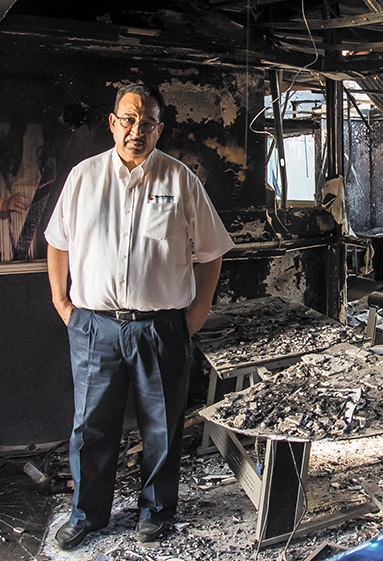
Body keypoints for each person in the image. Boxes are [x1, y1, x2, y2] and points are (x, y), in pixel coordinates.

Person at [45, 82, 235, 550]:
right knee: (91, 427)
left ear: (158, 128)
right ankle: (87, 514)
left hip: (160, 327)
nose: (136, 130)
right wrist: (61, 301)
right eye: (128, 119)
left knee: (162, 427)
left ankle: (156, 513)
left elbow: (211, 252)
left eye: (146, 122)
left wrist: (198, 311)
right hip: (94, 326)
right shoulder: (83, 178)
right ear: (112, 122)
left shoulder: (179, 180)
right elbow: (57, 241)